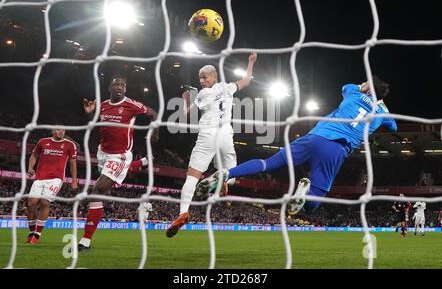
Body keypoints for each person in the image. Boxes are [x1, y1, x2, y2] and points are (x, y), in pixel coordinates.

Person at [197, 76, 397, 215]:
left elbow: (346, 86)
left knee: (271, 162)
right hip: (336, 149)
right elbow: (393, 125)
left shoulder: (352, 92)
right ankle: (305, 194)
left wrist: (363, 88)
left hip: (315, 137)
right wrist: (379, 103)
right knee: (314, 203)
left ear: (367, 87)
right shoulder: (381, 112)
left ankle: (228, 173)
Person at [166, 53, 258, 238]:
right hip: (226, 136)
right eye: (200, 77)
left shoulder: (203, 94)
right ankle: (221, 181)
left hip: (207, 135)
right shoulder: (228, 87)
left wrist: (185, 101)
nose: (201, 80)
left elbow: (188, 117)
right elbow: (247, 80)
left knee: (191, 176)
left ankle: (183, 212)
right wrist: (250, 62)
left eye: (205, 77)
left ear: (214, 76)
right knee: (232, 174)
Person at [77, 75, 158, 251]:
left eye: (122, 84)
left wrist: (154, 132)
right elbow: (92, 126)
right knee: (104, 189)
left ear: (125, 89)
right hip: (103, 152)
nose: (119, 86)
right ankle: (143, 163)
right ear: (110, 88)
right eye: (116, 84)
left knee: (97, 191)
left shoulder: (132, 105)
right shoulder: (103, 105)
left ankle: (85, 241)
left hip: (120, 155)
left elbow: (153, 114)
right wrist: (89, 113)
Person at [27, 126, 78, 244]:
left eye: (63, 130)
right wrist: (30, 168)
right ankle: (31, 231)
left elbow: (73, 163)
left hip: (56, 178)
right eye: (58, 129)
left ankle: (38, 234)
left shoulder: (70, 145)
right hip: (39, 177)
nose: (61, 132)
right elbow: (34, 155)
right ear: (52, 131)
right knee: (31, 204)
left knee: (45, 202)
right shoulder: (43, 142)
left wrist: (74, 180)